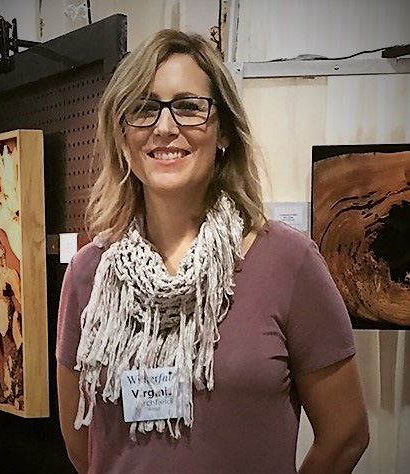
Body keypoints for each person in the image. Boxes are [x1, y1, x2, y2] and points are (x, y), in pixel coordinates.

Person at [56, 29, 369, 474]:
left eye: (188, 106)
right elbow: (82, 448)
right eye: (143, 109)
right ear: (123, 137)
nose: (165, 128)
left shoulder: (288, 262)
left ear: (223, 131)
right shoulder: (90, 274)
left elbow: (346, 434)